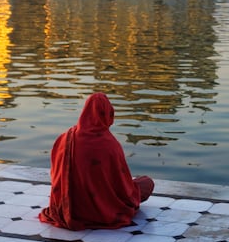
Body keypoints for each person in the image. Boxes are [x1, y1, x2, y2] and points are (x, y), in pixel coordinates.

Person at [39, 92, 154, 230]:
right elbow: (122, 187)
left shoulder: (65, 138)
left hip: (67, 208)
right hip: (103, 211)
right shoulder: (110, 145)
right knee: (147, 182)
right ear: (108, 114)